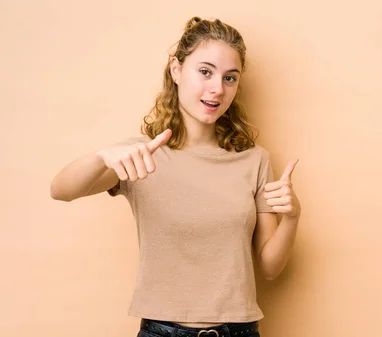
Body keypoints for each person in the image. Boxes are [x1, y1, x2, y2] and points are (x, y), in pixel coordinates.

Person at [50, 16, 301, 337]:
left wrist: (293, 217)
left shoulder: (255, 160)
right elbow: (61, 190)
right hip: (161, 331)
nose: (217, 89)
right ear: (176, 69)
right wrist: (102, 156)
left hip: (238, 331)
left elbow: (269, 267)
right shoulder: (141, 153)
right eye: (205, 72)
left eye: (230, 78)